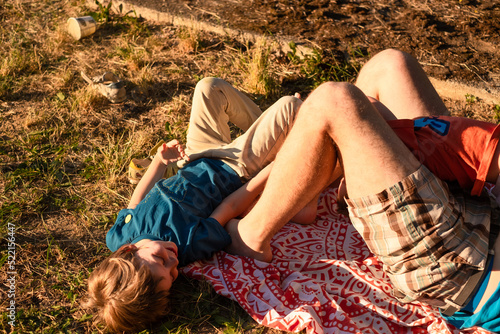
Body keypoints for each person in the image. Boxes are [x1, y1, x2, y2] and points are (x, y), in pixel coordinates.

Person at [226, 49, 500, 331]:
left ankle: (251, 237)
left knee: (333, 102)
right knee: (389, 66)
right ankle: (314, 188)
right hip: (479, 206)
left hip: (459, 264)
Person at [85, 77, 317, 333]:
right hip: (234, 168)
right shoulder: (189, 244)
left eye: (161, 260)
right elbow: (230, 206)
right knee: (289, 106)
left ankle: (275, 130)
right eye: (173, 276)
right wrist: (274, 168)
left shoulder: (117, 237)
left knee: (208, 88)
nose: (174, 262)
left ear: (128, 251)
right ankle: (289, 133)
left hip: (196, 158)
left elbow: (137, 201)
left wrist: (158, 162)